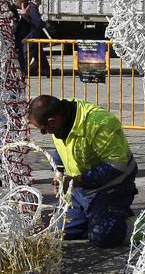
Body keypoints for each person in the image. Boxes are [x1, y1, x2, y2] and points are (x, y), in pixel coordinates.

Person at [28, 95, 137, 247]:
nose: (44, 133)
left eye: (43, 130)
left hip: (113, 186)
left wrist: (79, 180)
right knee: (61, 231)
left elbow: (118, 165)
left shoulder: (99, 123)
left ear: (52, 121)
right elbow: (61, 148)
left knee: (103, 238)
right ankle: (102, 216)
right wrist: (58, 172)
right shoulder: (61, 119)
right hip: (81, 188)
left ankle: (138, 225)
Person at [11, 0, 50, 75]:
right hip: (9, 70)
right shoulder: (5, 11)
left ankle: (46, 71)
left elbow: (20, 33)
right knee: (30, 55)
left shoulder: (20, 11)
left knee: (38, 56)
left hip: (16, 73)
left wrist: (24, 17)